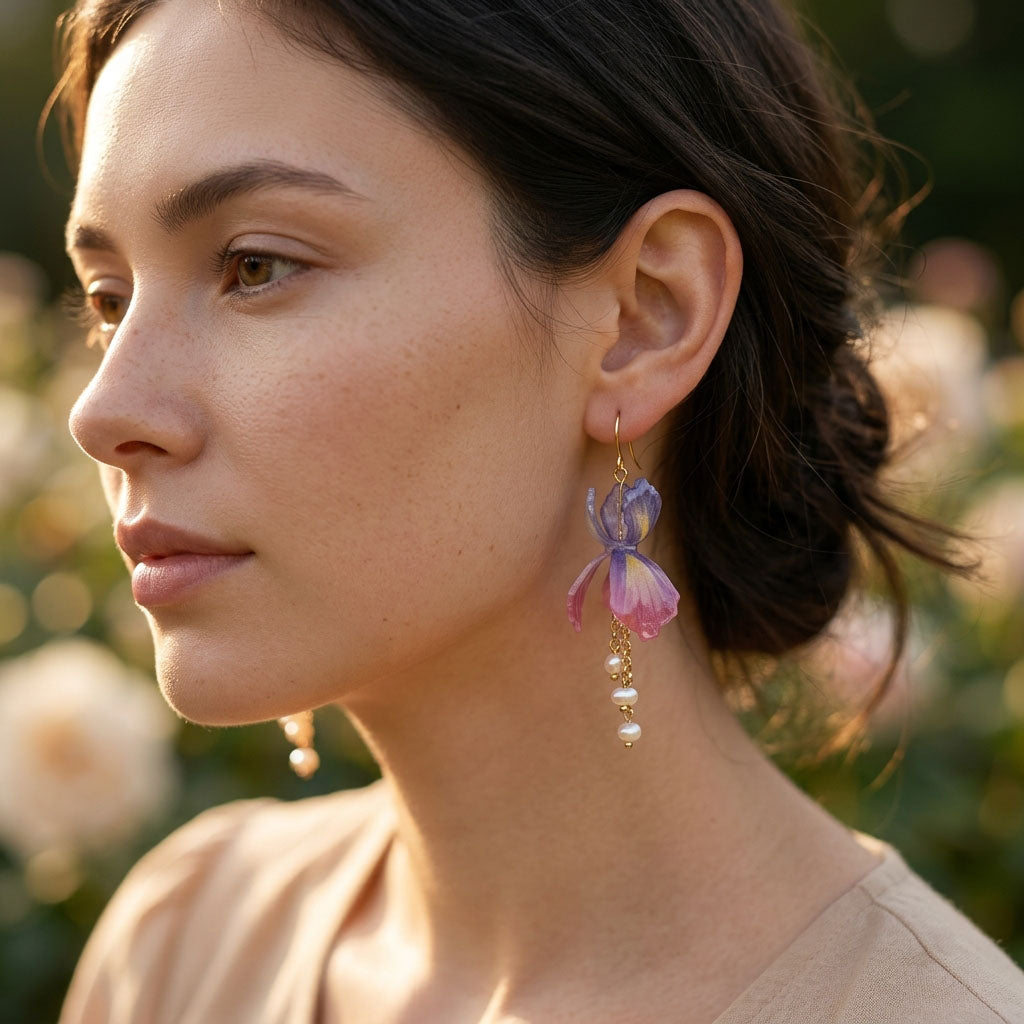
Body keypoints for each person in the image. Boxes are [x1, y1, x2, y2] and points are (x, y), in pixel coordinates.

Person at [53, 0, 1024, 1021]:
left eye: (255, 265)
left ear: (646, 315)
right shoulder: (183, 945)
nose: (104, 409)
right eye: (108, 299)